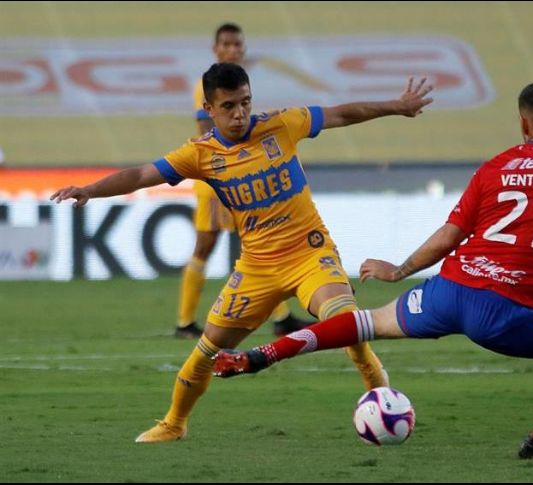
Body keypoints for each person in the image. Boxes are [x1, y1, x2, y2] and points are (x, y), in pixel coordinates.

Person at [211, 80, 533, 459]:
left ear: (522, 123)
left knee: (369, 321)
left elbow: (450, 235)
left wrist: (400, 268)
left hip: (450, 289)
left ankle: (264, 353)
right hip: (509, 314)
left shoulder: (496, 166)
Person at [51, 64, 434, 442]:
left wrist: (396, 106)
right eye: (230, 106)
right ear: (210, 109)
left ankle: (383, 400)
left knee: (348, 326)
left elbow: (341, 113)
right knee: (207, 349)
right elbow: (139, 175)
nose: (240, 114)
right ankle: (174, 423)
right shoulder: (200, 154)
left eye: (246, 103)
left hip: (310, 255)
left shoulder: (282, 124)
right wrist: (91, 189)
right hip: (257, 268)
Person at [177, 22, 312, 339]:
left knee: (253, 242)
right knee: (206, 246)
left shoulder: (237, 85)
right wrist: (222, 172)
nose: (233, 49)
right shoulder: (207, 86)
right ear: (216, 49)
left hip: (237, 180)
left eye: (237, 44)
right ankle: (184, 322)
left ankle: (280, 316)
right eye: (226, 44)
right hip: (219, 182)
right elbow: (205, 135)